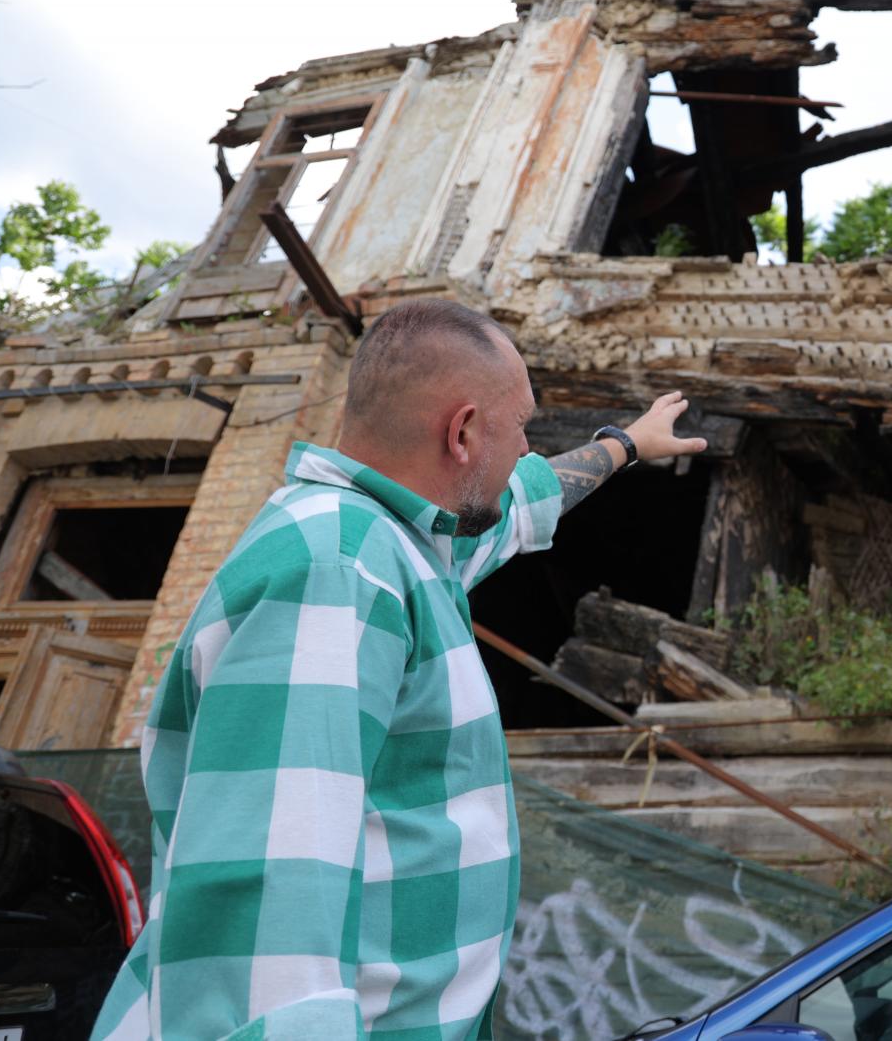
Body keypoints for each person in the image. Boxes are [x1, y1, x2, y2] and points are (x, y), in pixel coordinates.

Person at [91, 297, 707, 1040]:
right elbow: (266, 907)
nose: (527, 449)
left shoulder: (403, 547)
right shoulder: (338, 571)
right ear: (462, 432)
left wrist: (625, 444)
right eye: (521, 427)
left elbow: (521, 505)